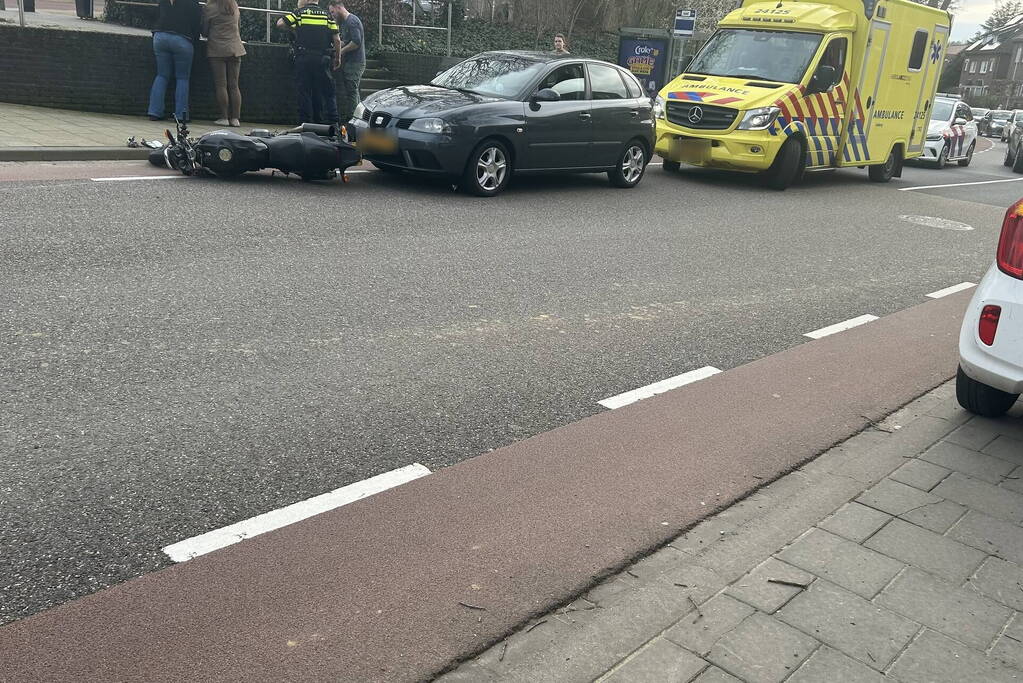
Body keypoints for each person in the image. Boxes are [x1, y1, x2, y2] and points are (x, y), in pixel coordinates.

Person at [277, 0, 341, 127]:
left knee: (304, 91)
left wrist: (295, 29)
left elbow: (280, 24)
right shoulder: (326, 15)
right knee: (326, 91)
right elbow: (337, 40)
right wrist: (338, 58)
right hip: (322, 58)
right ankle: (331, 123)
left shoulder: (299, 13)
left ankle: (304, 123)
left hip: (304, 57)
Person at [147, 0, 202, 121]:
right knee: (182, 78)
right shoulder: (193, 4)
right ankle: (181, 115)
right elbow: (197, 27)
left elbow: (155, 16)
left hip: (160, 37)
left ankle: (154, 112)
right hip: (183, 39)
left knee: (162, 75)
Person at [202, 0, 246, 127]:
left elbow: (204, 31)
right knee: (234, 85)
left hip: (218, 49)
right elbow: (239, 26)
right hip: (235, 48)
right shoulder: (234, 5)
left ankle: (224, 117)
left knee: (221, 85)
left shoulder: (210, 7)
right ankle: (236, 119)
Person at [329, 0, 365, 124]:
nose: (332, 15)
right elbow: (347, 40)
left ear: (339, 8)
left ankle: (353, 120)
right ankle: (358, 117)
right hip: (351, 62)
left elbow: (356, 42)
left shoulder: (352, 21)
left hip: (355, 62)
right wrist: (335, 48)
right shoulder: (344, 23)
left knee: (352, 91)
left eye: (333, 12)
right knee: (352, 91)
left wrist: (340, 52)